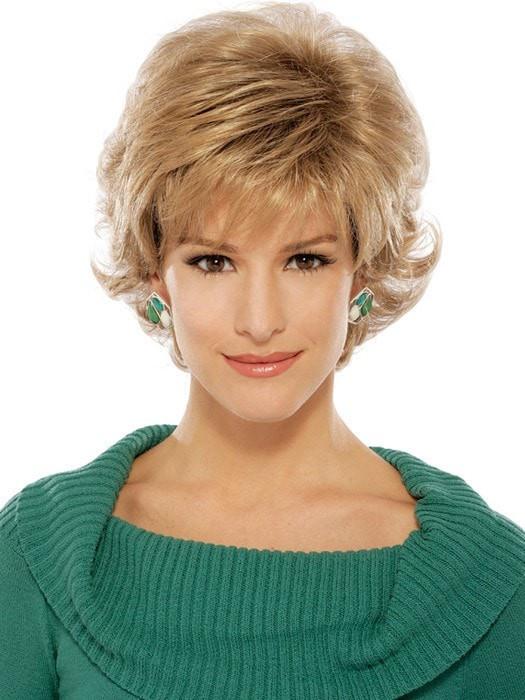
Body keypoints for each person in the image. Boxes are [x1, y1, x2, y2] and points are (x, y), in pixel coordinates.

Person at [1, 2, 524, 697]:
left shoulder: (485, 585)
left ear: (361, 275)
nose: (259, 320)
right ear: (156, 277)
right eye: (213, 262)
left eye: (305, 260)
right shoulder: (41, 557)